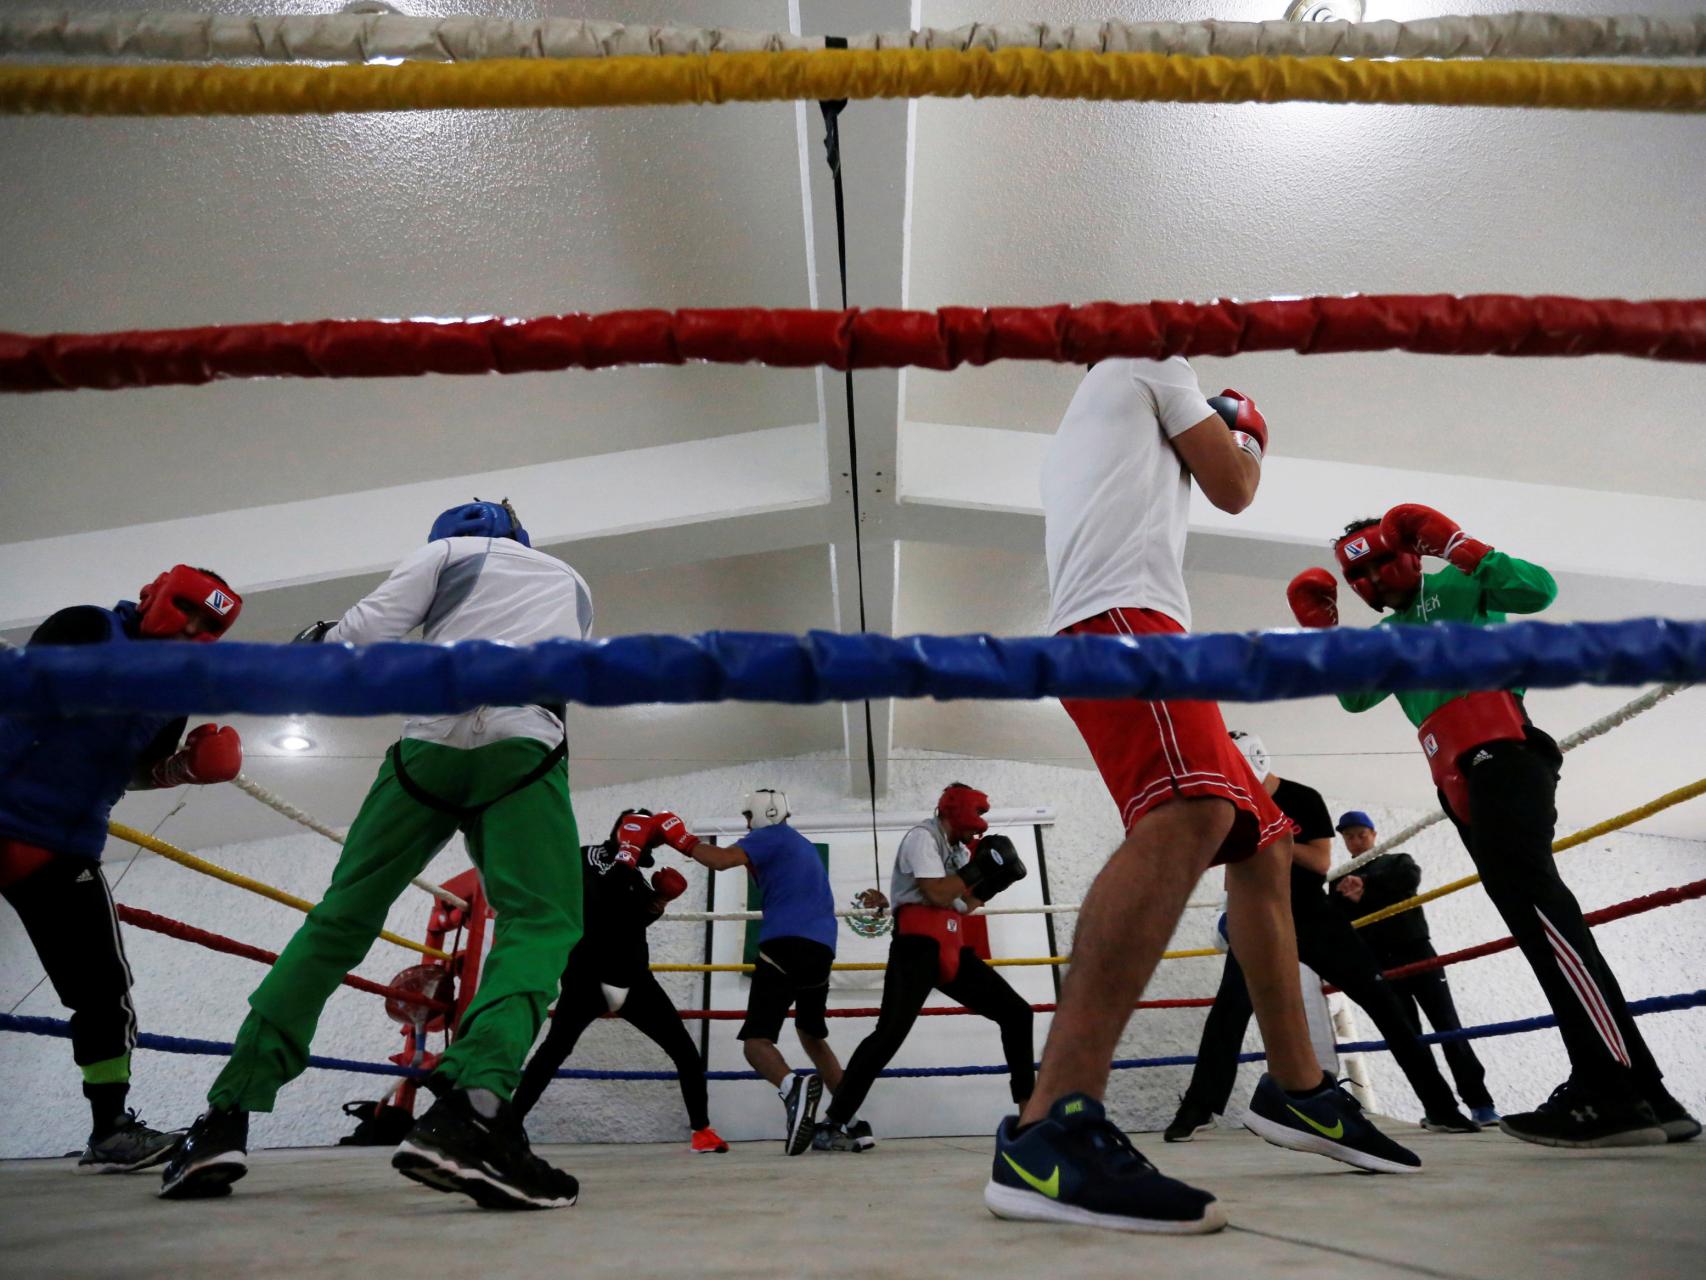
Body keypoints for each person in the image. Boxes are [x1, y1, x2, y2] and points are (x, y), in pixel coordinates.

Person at [988, 361, 1418, 1236]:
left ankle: (1296, 1087)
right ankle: (1050, 1127)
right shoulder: (1153, 357)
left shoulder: (1094, 415)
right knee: (1192, 810)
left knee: (1263, 839)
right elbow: (1234, 488)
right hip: (1124, 621)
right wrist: (1245, 432)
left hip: (1134, 624)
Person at [161, 499, 598, 1207]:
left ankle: (223, 1119)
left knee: (340, 920)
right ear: (521, 538)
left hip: (425, 749)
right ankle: (474, 1111)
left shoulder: (446, 554)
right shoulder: (570, 581)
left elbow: (360, 636)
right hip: (524, 743)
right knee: (541, 923)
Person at [1288, 505, 1699, 1147]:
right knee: (1539, 925)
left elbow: (1537, 590)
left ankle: (1610, 1089)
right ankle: (1647, 1093)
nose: (1369, 581)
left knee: (1543, 917)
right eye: (1356, 575)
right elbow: (1353, 695)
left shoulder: (1454, 584)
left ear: (1409, 553)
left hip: (1503, 756)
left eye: (1376, 563)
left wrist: (1459, 546)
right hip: (1458, 785)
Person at [0, 566, 244, 1173]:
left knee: (105, 993)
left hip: (60, 845)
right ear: (152, 596)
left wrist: (184, 769)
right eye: (186, 608)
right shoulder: (84, 627)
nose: (191, 627)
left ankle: (108, 1129)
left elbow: (138, 771)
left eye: (208, 624)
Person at [1165, 736, 1479, 1143]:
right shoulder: (1231, 800)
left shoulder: (1303, 797)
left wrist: (1273, 834)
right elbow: (1230, 869)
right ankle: (1197, 1107)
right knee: (1229, 1011)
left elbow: (1319, 862)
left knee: (1383, 1002)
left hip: (1312, 913)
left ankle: (1442, 1107)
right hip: (1257, 915)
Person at [815, 783, 1035, 1153]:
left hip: (952, 944)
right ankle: (832, 1123)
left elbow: (961, 905)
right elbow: (935, 893)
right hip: (916, 947)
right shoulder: (922, 837)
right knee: (888, 1036)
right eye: (976, 816)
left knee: (1017, 1013)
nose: (978, 827)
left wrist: (993, 885)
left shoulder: (959, 850)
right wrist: (980, 869)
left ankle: (1029, 1119)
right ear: (957, 810)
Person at [638, 789, 856, 1155]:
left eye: (746, 817)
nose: (745, 825)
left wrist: (680, 837)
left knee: (756, 1043)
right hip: (822, 949)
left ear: (756, 816)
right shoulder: (799, 843)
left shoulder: (769, 837)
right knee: (811, 1034)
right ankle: (850, 1122)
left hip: (784, 943)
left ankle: (792, 1088)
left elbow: (722, 860)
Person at [510, 808, 727, 1154]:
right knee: (554, 1050)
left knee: (684, 1050)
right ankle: (508, 1124)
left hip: (634, 981)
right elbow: (599, 898)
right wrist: (627, 852)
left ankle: (701, 1131)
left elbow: (634, 922)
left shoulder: (637, 878)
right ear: (621, 832)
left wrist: (660, 900)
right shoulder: (590, 857)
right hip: (587, 976)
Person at [1330, 811, 1498, 1126]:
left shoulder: (1396, 862)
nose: (1355, 840)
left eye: (1360, 834)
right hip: (1379, 962)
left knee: (1448, 1026)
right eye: (1349, 836)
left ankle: (1481, 1104)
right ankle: (1439, 1108)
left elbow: (1409, 878)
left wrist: (1365, 884)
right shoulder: (1338, 879)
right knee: (1408, 1037)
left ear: (1374, 834)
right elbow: (1337, 919)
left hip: (1417, 951)